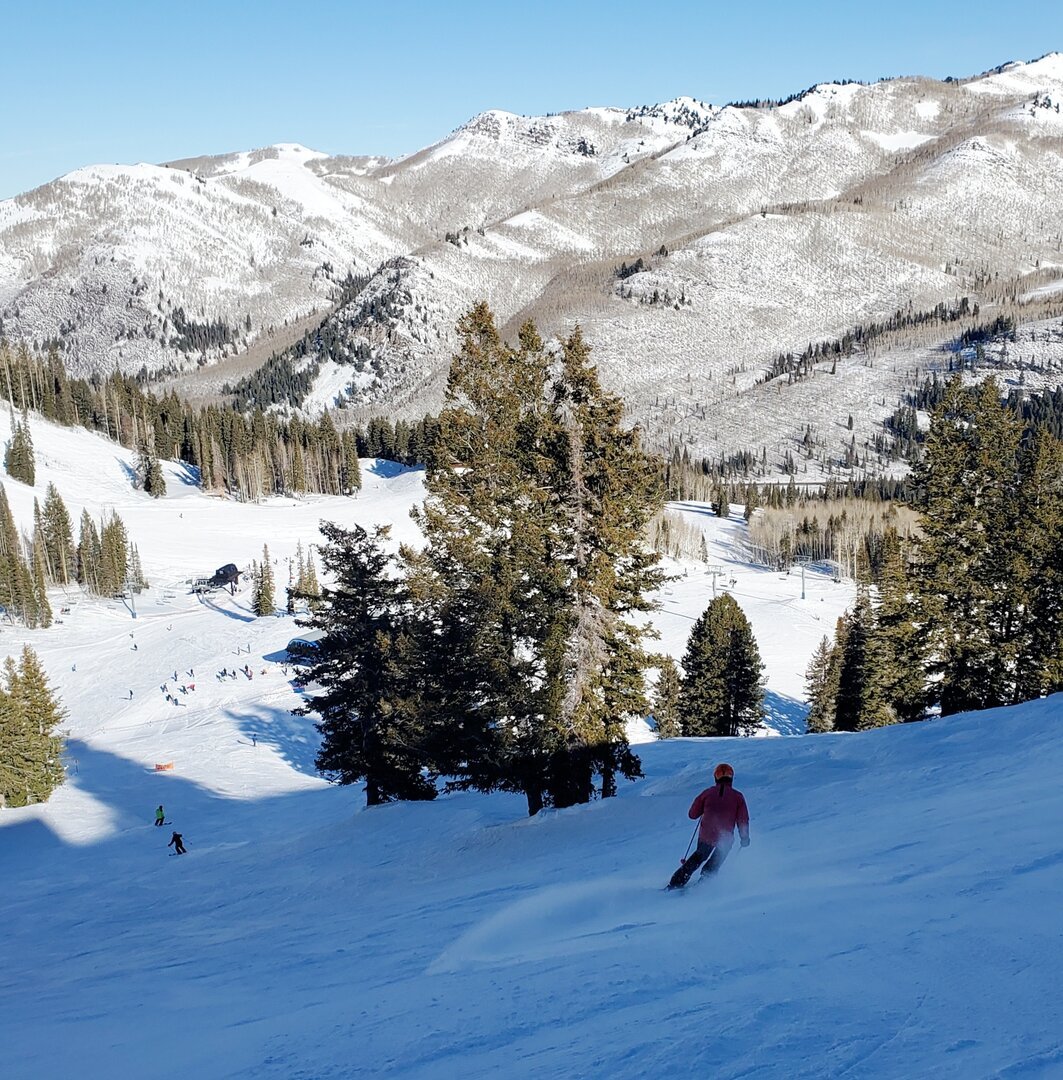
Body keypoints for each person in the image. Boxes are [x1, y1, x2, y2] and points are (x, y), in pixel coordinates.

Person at [667, 763, 750, 890]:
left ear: (716, 777)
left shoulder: (707, 793)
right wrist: (744, 837)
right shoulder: (738, 797)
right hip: (726, 838)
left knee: (698, 858)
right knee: (716, 861)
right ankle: (705, 884)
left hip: (707, 835)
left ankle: (676, 883)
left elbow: (692, 814)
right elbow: (743, 820)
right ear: (731, 778)